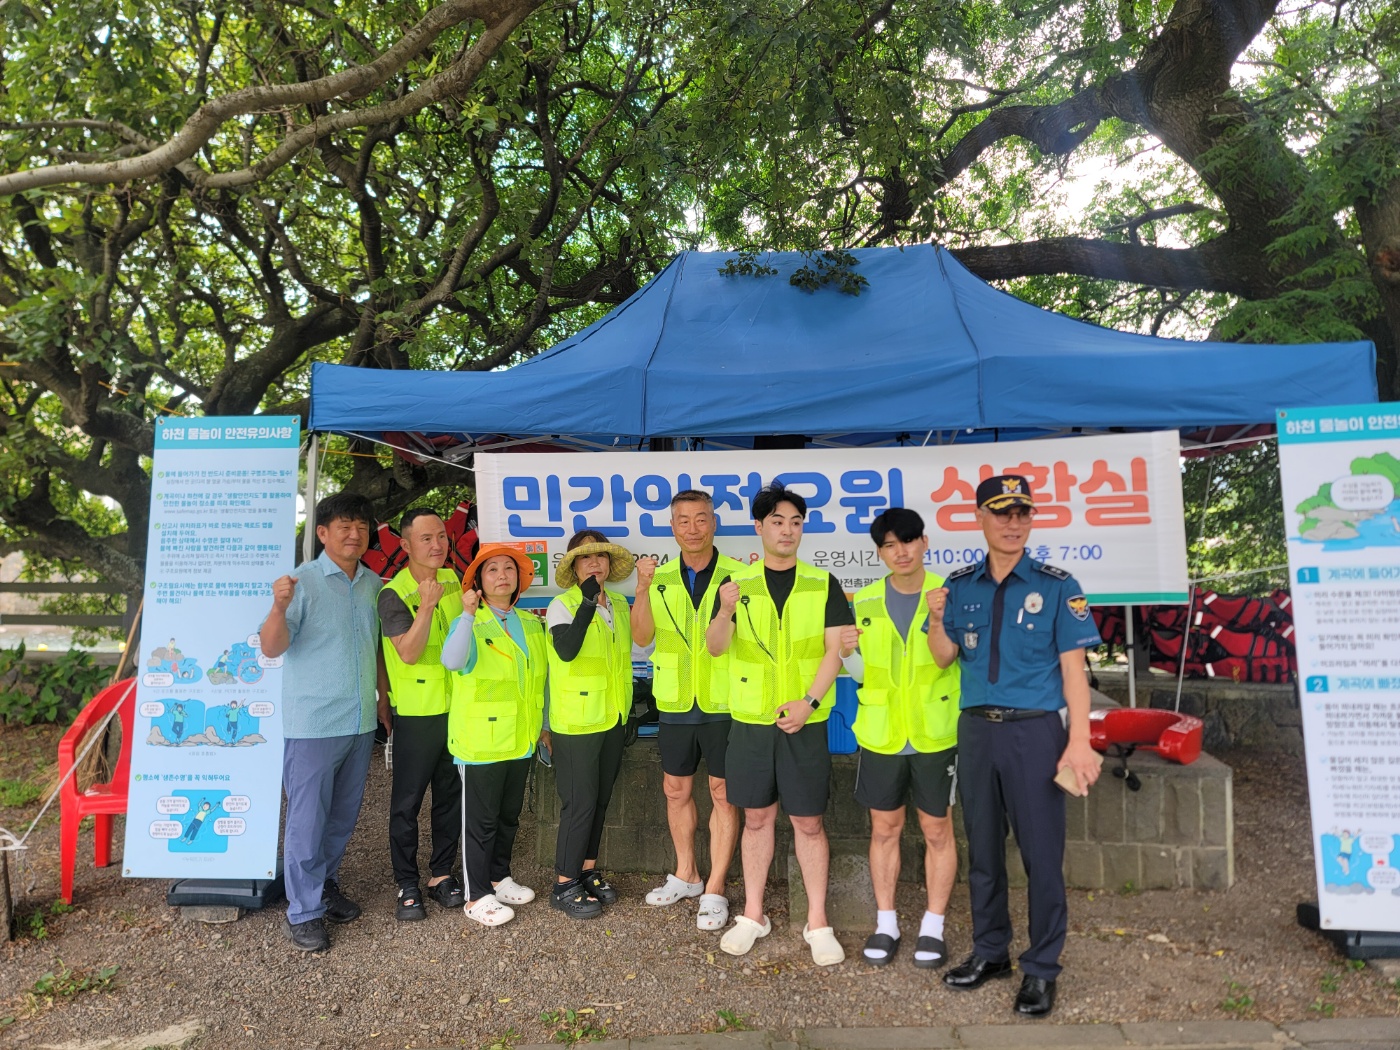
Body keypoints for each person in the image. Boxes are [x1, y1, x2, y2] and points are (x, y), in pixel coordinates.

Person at [927, 475, 1103, 1017]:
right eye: (1001, 513)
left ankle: (1042, 968)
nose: (1013, 523)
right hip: (977, 730)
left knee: (1042, 856)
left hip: (1035, 731)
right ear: (980, 518)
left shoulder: (1056, 584)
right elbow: (941, 657)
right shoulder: (960, 586)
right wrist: (936, 618)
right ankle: (990, 951)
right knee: (982, 849)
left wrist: (1079, 742)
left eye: (1022, 513)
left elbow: (1075, 675)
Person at [705, 481, 852, 966]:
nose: (787, 530)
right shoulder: (734, 586)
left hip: (805, 722)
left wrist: (810, 702)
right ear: (759, 527)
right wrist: (724, 609)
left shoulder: (822, 583)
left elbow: (835, 651)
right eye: (776, 521)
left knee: (808, 822)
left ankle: (818, 920)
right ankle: (752, 915)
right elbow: (715, 646)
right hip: (750, 720)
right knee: (757, 818)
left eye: (795, 521)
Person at [260, 490, 388, 953]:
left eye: (361, 526)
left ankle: (324, 885)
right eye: (343, 527)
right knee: (307, 820)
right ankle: (304, 910)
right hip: (313, 722)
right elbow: (271, 648)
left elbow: (375, 649)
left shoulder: (374, 585)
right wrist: (277, 608)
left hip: (357, 721)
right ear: (322, 533)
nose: (354, 534)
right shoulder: (302, 581)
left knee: (341, 817)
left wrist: (383, 700)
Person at [841, 507, 961, 969]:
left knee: (937, 830)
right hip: (882, 734)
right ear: (880, 552)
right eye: (890, 545)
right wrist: (848, 653)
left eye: (908, 541)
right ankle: (886, 922)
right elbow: (860, 674)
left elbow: (950, 660)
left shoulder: (947, 596)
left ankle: (934, 925)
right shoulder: (866, 599)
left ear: (924, 543)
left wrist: (938, 620)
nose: (901, 551)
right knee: (884, 829)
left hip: (934, 733)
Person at [631, 491, 743, 932]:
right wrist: (640, 588)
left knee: (722, 792)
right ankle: (687, 875)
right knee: (675, 790)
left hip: (725, 699)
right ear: (672, 527)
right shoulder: (659, 579)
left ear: (713, 523)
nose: (693, 528)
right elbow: (642, 637)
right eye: (683, 520)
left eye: (701, 519)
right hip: (676, 699)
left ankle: (715, 886)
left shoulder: (739, 575)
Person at [440, 544, 548, 926]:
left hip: (519, 739)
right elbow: (452, 661)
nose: (502, 575)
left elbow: (541, 681)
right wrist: (467, 615)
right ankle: (476, 895)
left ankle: (498, 877)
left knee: (507, 817)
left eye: (509, 568)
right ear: (478, 583)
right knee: (480, 823)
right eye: (492, 570)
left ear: (520, 578)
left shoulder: (532, 624)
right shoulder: (471, 621)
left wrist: (544, 727)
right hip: (480, 743)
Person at [378, 507, 466, 921]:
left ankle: (441, 873)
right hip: (417, 714)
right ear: (406, 544)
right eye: (427, 539)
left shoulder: (453, 579)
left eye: (442, 537)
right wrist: (427, 607)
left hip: (458, 709)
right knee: (407, 803)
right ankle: (407, 883)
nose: (437, 545)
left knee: (451, 797)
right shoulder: (392, 593)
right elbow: (409, 653)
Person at [545, 529, 636, 919]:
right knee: (579, 803)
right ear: (574, 567)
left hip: (612, 717)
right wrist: (586, 603)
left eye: (600, 558)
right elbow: (566, 651)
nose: (594, 564)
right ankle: (564, 885)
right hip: (576, 722)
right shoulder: (561, 605)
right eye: (585, 558)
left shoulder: (619, 603)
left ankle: (586, 872)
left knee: (599, 801)